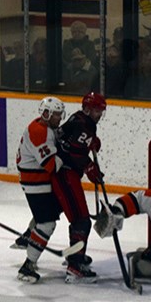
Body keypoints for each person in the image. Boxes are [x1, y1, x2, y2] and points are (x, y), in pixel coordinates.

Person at [53, 91, 107, 283]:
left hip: (67, 174)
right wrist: (89, 166)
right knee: (81, 220)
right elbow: (73, 152)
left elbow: (73, 145)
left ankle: (75, 256)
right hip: (65, 174)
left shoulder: (81, 120)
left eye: (101, 110)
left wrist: (91, 144)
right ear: (87, 109)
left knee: (79, 218)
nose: (100, 114)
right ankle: (75, 265)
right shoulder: (83, 124)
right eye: (97, 110)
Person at [15, 96, 68, 283]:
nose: (59, 119)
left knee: (59, 204)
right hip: (35, 182)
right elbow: (51, 166)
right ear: (45, 114)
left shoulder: (44, 127)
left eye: (60, 115)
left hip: (36, 179)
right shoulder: (40, 132)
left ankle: (28, 236)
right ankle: (28, 266)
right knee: (47, 224)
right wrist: (66, 154)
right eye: (56, 115)